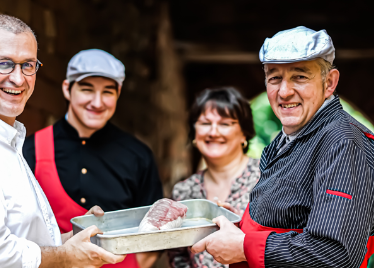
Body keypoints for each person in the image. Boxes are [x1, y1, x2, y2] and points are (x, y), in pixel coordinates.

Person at [0, 15, 125, 268]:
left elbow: (24, 244)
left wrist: (75, 239)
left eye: (28, 65)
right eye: (4, 64)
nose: (19, 79)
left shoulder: (5, 143)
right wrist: (66, 257)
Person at [191, 26, 374, 268]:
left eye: (299, 76)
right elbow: (293, 219)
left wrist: (244, 246)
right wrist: (237, 225)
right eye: (275, 78)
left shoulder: (343, 142)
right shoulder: (291, 136)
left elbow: (334, 254)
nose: (284, 92)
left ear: (329, 82)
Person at [23, 49, 163, 268]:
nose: (97, 103)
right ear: (67, 89)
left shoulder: (138, 156)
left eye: (107, 92)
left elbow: (154, 239)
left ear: (118, 93)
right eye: (87, 89)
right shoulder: (30, 151)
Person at [168, 87, 260, 268]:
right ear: (194, 132)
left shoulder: (266, 179)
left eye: (225, 124)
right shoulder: (183, 191)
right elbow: (177, 255)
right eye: (205, 123)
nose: (213, 132)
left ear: (244, 133)